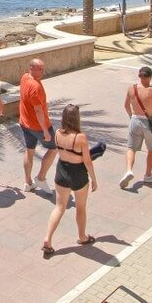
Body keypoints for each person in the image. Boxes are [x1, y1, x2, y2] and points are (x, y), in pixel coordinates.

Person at [41, 104, 97, 257]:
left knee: (59, 207)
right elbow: (87, 161)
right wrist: (94, 179)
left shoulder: (57, 133)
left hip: (61, 171)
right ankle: (82, 236)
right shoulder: (80, 138)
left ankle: (48, 239)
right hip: (78, 174)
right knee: (81, 208)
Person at [18, 58, 56, 191]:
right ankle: (41, 178)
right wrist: (45, 131)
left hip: (25, 123)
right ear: (31, 68)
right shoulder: (35, 87)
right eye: (39, 69)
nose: (42, 71)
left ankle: (28, 183)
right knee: (53, 148)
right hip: (38, 126)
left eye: (42, 68)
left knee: (29, 151)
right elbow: (38, 110)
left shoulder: (24, 77)